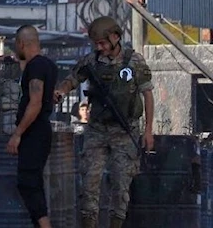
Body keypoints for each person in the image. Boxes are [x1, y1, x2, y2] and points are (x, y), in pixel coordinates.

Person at [53, 16, 155, 228]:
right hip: (97, 130)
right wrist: (61, 91)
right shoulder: (92, 62)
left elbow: (148, 95)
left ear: (115, 37)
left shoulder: (134, 62)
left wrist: (148, 131)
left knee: (121, 185)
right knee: (89, 183)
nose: (100, 48)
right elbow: (73, 78)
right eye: (96, 44)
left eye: (103, 43)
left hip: (125, 131)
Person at [6, 25, 58, 228]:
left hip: (34, 132)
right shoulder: (47, 65)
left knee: (28, 183)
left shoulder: (35, 67)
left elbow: (35, 103)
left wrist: (17, 133)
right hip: (40, 131)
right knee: (32, 182)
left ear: (20, 43)